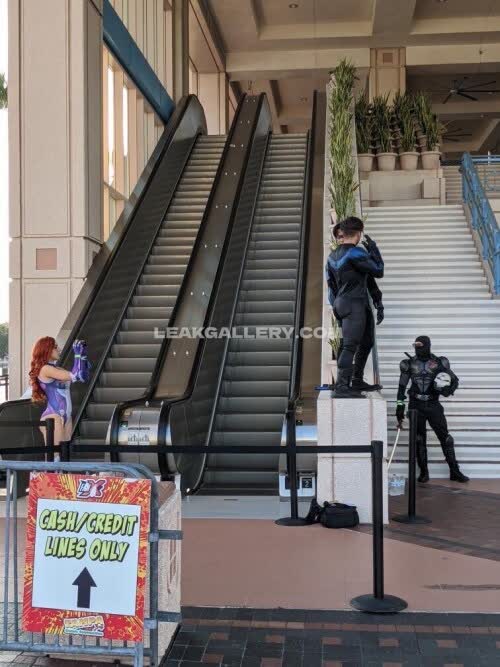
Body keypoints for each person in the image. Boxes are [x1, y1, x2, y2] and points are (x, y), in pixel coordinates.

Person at [396, 335, 469, 483]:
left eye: (420, 345)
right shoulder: (408, 364)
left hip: (433, 404)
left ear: (428, 345)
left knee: (446, 438)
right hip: (415, 405)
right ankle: (424, 473)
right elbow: (402, 387)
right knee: (419, 440)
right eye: (415, 346)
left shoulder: (440, 362)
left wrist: (448, 390)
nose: (417, 348)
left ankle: (455, 471)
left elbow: (454, 380)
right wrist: (400, 406)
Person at [326, 216, 384, 398]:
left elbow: (332, 286)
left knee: (366, 342)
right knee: (349, 346)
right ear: (358, 233)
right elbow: (378, 270)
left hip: (344, 303)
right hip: (354, 303)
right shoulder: (355, 252)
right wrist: (373, 249)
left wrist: (377, 301)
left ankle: (356, 380)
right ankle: (342, 387)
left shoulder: (332, 256)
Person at [29, 337, 91, 450]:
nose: (59, 349)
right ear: (46, 349)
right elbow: (75, 375)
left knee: (64, 455)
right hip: (54, 416)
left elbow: (82, 377)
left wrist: (83, 356)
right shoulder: (45, 369)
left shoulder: (57, 369)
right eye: (55, 347)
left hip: (66, 415)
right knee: (55, 456)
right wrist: (78, 355)